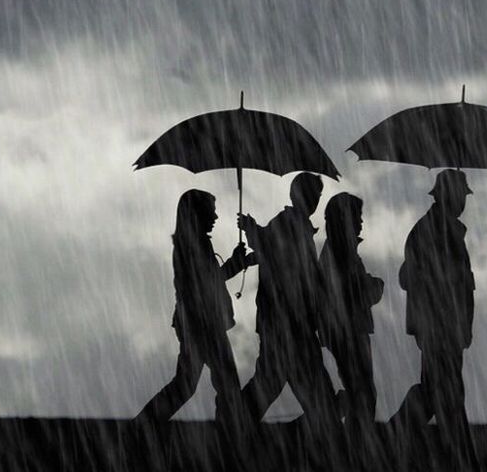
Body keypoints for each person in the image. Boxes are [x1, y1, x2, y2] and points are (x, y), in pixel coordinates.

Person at [137, 190, 255, 427]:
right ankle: (231, 431)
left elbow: (209, 279)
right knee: (223, 383)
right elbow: (210, 281)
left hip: (195, 322)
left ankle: (145, 424)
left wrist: (237, 262)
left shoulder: (190, 242)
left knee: (190, 383)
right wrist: (238, 262)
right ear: (198, 214)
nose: (216, 217)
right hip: (202, 323)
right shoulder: (194, 245)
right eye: (211, 211)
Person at [236, 173, 338, 429]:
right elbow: (271, 248)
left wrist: (253, 230)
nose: (315, 201)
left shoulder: (296, 225)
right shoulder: (288, 223)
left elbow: (270, 250)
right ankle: (327, 428)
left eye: (317, 196)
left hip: (287, 319)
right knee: (297, 380)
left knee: (274, 378)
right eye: (313, 195)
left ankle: (235, 421)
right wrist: (252, 229)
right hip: (288, 319)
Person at [391, 170, 479, 465]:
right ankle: (462, 458)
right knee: (449, 396)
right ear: (447, 195)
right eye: (460, 195)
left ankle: (394, 434)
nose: (463, 202)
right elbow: (413, 277)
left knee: (435, 393)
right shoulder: (432, 231)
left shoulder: (442, 230)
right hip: (439, 327)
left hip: (443, 326)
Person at [317, 193, 383, 437]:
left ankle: (346, 430)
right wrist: (375, 286)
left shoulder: (340, 250)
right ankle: (354, 444)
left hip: (345, 329)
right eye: (358, 217)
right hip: (348, 330)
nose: (361, 222)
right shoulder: (341, 251)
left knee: (360, 391)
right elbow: (354, 292)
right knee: (363, 393)